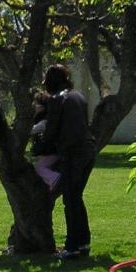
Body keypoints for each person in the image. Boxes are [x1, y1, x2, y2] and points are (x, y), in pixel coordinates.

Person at [40, 64, 96, 260]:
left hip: (74, 153)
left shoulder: (58, 99)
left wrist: (39, 148)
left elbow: (51, 132)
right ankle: (83, 243)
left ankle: (72, 246)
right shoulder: (78, 96)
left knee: (70, 200)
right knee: (76, 198)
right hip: (88, 150)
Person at [30, 90, 62, 195]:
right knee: (42, 167)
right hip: (54, 150)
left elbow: (32, 130)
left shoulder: (44, 122)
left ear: (42, 107)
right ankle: (50, 184)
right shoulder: (50, 120)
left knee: (40, 168)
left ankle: (55, 179)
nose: (35, 106)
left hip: (51, 151)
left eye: (37, 104)